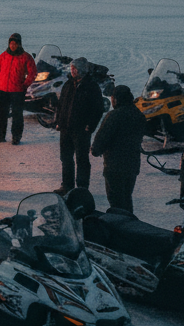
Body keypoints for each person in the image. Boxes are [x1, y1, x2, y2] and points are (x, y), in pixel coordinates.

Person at [89, 84, 148, 212]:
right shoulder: (138, 114)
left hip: (114, 165)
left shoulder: (114, 116)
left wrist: (95, 150)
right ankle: (130, 224)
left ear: (116, 99)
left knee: (116, 200)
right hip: (132, 164)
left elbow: (103, 137)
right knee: (127, 197)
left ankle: (120, 225)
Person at [54, 58, 105, 193]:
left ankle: (82, 188)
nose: (72, 71)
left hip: (81, 130)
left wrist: (90, 126)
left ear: (82, 70)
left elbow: (98, 109)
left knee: (82, 160)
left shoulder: (91, 86)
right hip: (65, 128)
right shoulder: (68, 85)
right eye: (71, 68)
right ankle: (67, 185)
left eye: (75, 68)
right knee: (66, 158)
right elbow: (61, 105)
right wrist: (58, 121)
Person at [0, 33, 37, 145]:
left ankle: (16, 137)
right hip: (2, 89)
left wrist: (25, 85)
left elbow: (33, 73)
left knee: (17, 114)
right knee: (1, 114)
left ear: (19, 44)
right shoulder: (3, 56)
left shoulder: (26, 57)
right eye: (11, 43)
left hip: (17, 90)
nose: (12, 46)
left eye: (15, 44)